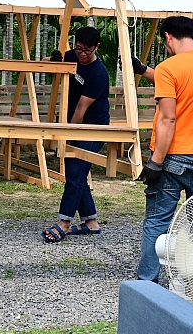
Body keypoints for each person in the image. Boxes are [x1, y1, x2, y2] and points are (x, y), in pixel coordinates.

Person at [137, 16, 193, 282]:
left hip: (173, 159)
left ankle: (148, 282)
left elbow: (168, 118)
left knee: (158, 221)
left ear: (169, 37)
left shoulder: (169, 68)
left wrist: (155, 163)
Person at [41, 26, 110, 243]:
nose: (82, 54)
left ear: (96, 47)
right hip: (76, 123)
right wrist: (53, 59)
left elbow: (81, 110)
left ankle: (64, 222)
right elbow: (45, 64)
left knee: (76, 172)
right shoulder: (72, 56)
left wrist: (68, 135)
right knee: (76, 173)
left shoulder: (99, 74)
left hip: (93, 127)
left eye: (87, 50)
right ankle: (91, 223)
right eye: (79, 48)